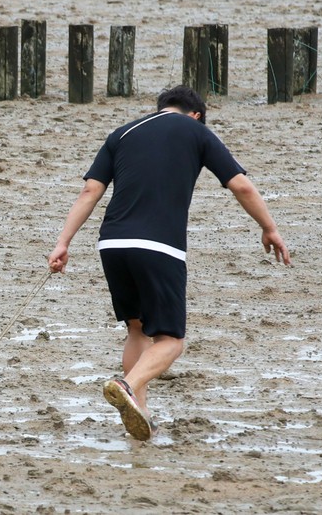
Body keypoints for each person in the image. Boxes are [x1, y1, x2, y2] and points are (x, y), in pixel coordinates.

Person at [47, 85, 290, 441]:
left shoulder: (122, 132)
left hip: (112, 243)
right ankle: (126, 386)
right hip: (159, 246)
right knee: (171, 340)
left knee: (137, 328)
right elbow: (241, 186)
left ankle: (139, 414)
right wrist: (269, 228)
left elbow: (90, 191)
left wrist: (62, 242)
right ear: (196, 114)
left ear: (160, 109)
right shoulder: (196, 131)